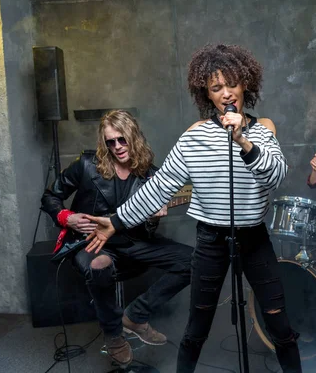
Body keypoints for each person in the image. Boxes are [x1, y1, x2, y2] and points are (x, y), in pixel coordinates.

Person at [84, 44, 302, 373]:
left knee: (279, 323)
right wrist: (116, 221)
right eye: (216, 88)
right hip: (211, 240)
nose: (226, 93)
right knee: (197, 326)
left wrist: (243, 140)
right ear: (207, 95)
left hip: (254, 238)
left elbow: (276, 176)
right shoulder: (194, 137)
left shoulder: (263, 129)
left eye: (231, 84)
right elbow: (159, 188)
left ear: (245, 84)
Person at [41, 110, 193, 367]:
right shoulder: (87, 165)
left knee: (193, 260)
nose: (117, 147)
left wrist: (154, 218)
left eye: (122, 139)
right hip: (92, 243)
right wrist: (66, 216)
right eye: (110, 142)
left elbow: (146, 231)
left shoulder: (150, 175)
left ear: (133, 137)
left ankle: (136, 315)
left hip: (132, 243)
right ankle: (113, 334)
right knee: (99, 265)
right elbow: (49, 197)